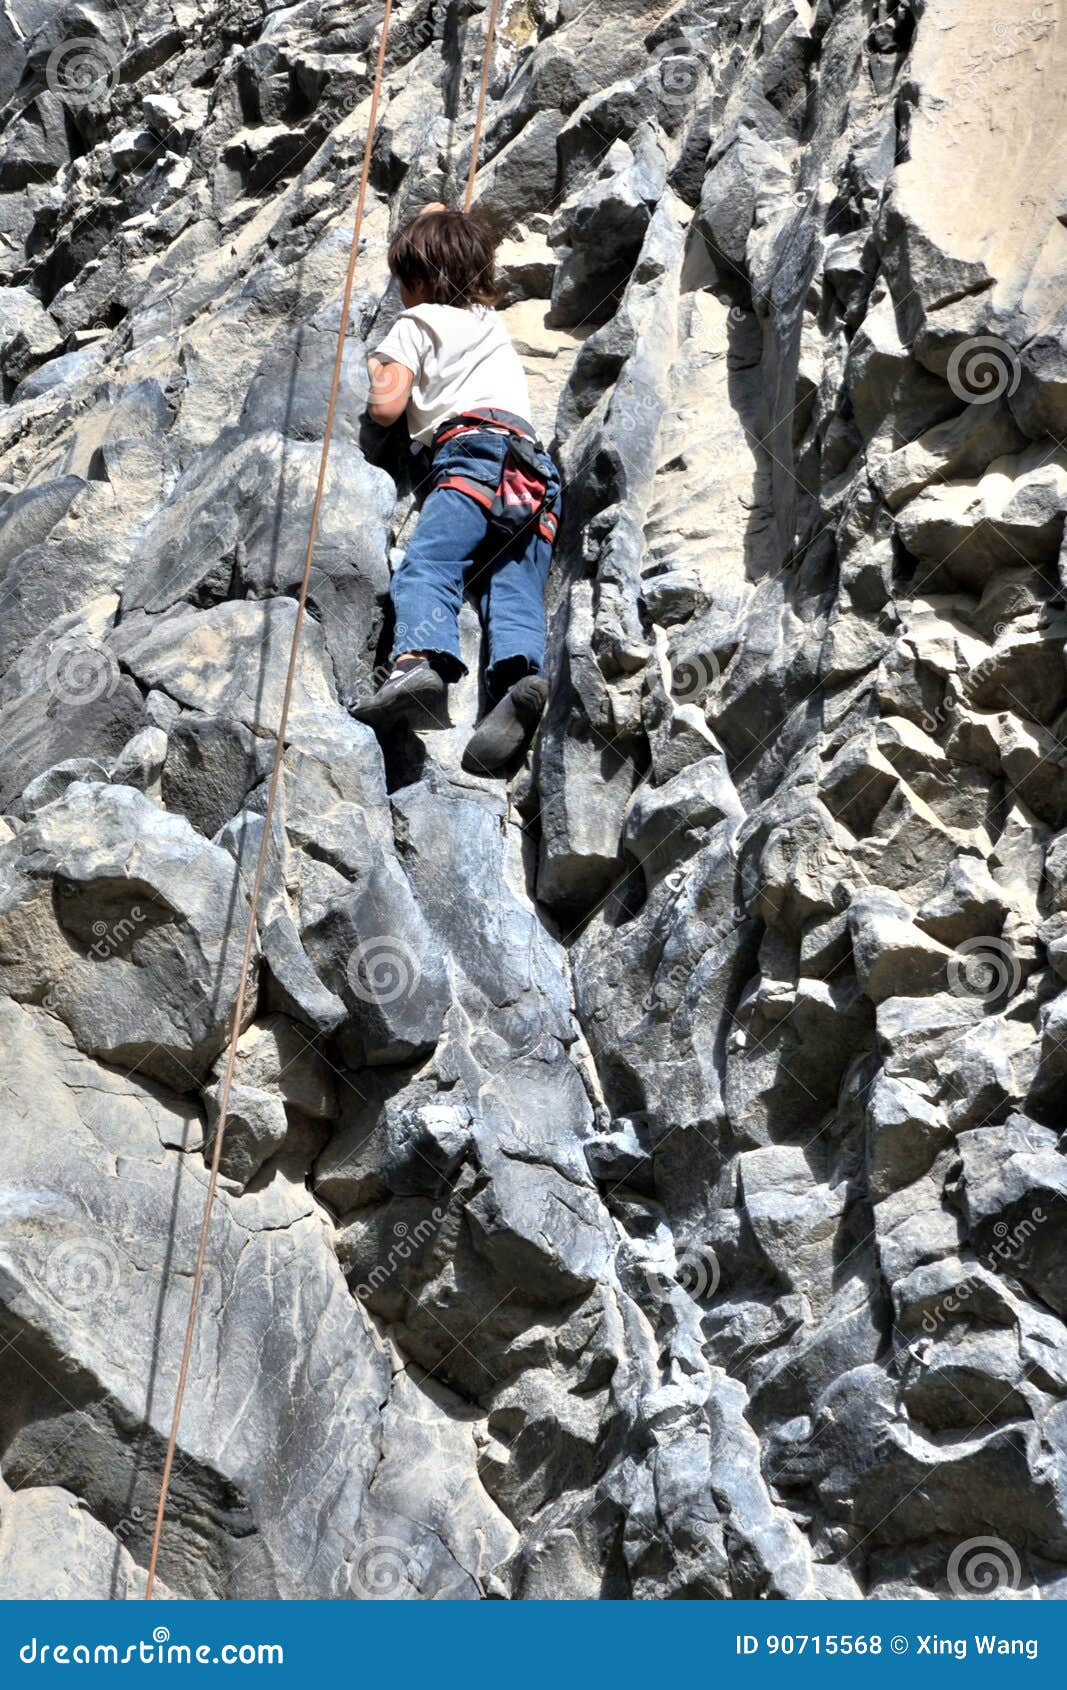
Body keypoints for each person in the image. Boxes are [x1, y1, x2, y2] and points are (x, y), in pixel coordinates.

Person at [352, 204, 561, 775]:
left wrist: (377, 364)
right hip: (534, 473)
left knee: (430, 562)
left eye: (401, 283)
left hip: (474, 457)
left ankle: (420, 664)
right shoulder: (487, 322)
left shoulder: (415, 324)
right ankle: (517, 685)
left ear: (415, 282)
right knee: (512, 586)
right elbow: (458, 242)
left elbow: (386, 405)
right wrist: (438, 218)